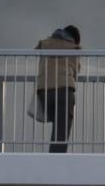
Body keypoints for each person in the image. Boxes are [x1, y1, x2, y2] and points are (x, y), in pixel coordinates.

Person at [34, 25, 80, 153]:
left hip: (44, 91)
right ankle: (56, 160)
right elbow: (76, 70)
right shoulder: (73, 48)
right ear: (74, 38)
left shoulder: (45, 43)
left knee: (57, 125)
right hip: (63, 91)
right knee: (62, 129)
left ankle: (53, 156)